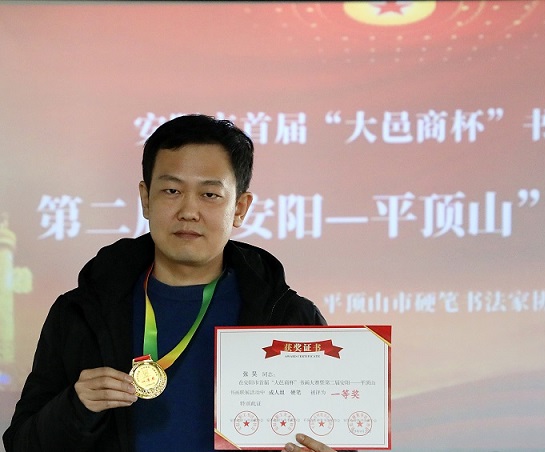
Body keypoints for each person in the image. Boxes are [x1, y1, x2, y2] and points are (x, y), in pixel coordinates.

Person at [3, 115, 341, 452]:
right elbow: (21, 444)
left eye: (210, 194)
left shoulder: (289, 318)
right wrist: (75, 408)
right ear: (146, 199)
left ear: (240, 208)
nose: (189, 211)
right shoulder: (81, 311)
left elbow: (335, 434)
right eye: (172, 190)